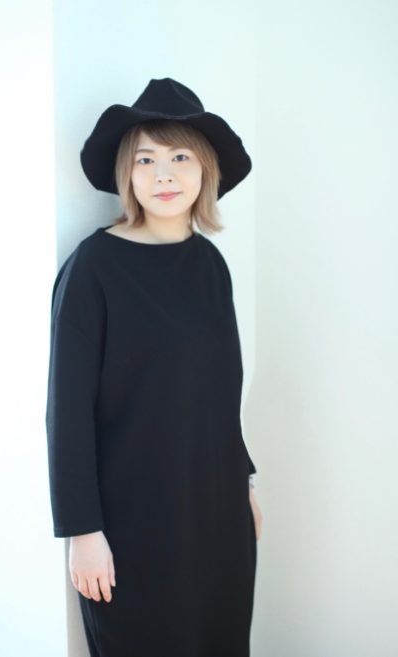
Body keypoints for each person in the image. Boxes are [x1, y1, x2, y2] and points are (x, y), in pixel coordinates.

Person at [45, 77, 263, 657]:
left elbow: (220, 393)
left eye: (180, 157)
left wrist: (242, 483)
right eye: (146, 159)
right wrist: (82, 532)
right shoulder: (93, 268)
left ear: (205, 169)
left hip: (217, 512)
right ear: (127, 173)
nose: (163, 175)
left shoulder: (210, 264)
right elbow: (67, 412)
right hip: (131, 521)